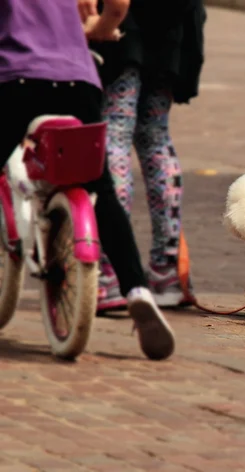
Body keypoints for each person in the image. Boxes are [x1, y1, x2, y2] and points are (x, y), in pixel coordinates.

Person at [0, 0, 176, 360]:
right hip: (79, 83)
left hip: (15, 81)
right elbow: (118, 5)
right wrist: (100, 30)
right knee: (101, 189)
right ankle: (138, 292)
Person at [81, 0, 206, 311]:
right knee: (155, 135)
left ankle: (110, 273)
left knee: (116, 135)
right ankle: (167, 271)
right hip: (170, 23)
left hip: (123, 23)